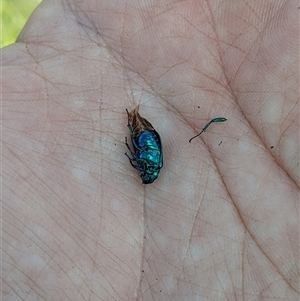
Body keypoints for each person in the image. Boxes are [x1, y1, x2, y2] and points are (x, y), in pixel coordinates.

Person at [2, 1, 298, 300]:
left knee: (136, 134)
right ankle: (134, 119)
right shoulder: (150, 165)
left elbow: (139, 154)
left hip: (146, 139)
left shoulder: (147, 165)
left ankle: (134, 120)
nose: (143, 177)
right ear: (151, 174)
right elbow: (142, 152)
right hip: (147, 139)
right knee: (136, 133)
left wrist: (136, 153)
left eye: (145, 177)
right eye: (147, 177)